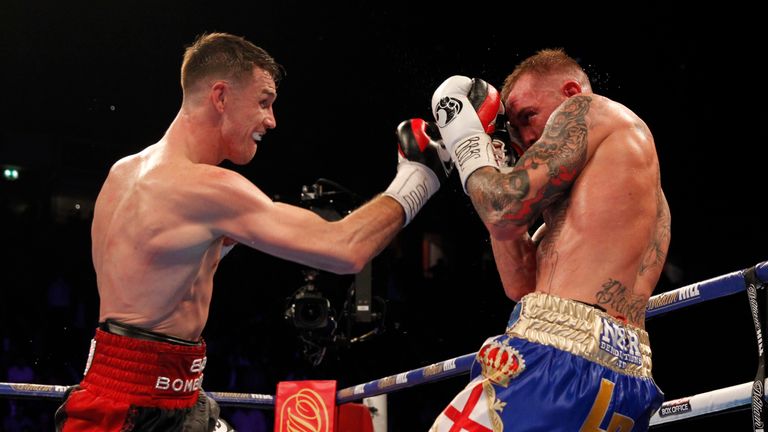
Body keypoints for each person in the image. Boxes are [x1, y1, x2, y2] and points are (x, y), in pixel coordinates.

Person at [54, 32, 450, 432]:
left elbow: (159, 270)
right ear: (221, 96)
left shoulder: (123, 173)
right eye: (264, 102)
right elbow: (345, 248)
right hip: (137, 410)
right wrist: (419, 178)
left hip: (147, 392)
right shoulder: (206, 188)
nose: (271, 120)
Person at [428, 48, 670, 431]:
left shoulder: (590, 110)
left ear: (571, 92)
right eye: (515, 132)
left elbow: (502, 210)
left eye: (528, 116)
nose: (526, 137)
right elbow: (520, 283)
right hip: (624, 377)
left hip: (558, 361)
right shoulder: (621, 193)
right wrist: (497, 167)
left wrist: (467, 142)